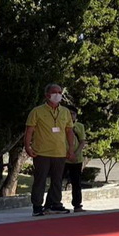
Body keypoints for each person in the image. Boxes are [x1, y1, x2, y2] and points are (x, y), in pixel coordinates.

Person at [24, 83, 75, 216]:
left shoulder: (65, 112)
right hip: (41, 152)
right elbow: (29, 130)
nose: (58, 95)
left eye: (59, 92)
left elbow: (69, 131)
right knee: (40, 180)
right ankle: (37, 206)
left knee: (57, 180)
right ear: (47, 95)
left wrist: (71, 149)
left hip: (60, 152)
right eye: (55, 92)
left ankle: (54, 204)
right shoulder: (37, 111)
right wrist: (27, 147)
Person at [64, 106, 87, 212]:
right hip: (63, 158)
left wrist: (75, 154)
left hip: (76, 159)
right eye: (69, 113)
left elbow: (82, 141)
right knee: (57, 180)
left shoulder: (79, 126)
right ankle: (52, 203)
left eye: (73, 113)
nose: (71, 116)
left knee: (76, 182)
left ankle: (77, 204)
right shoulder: (61, 126)